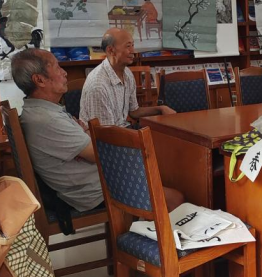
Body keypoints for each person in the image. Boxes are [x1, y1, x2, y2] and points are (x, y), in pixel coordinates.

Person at [11, 49, 184, 213]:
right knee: (175, 197)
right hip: (95, 191)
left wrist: (87, 136)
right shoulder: (47, 119)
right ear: (40, 80)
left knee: (166, 173)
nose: (64, 73)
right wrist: (88, 135)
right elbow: (100, 155)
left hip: (97, 178)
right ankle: (158, 232)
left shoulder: (41, 111)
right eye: (57, 67)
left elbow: (92, 143)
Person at [79, 28, 175, 127]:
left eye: (133, 45)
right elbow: (105, 132)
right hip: (108, 134)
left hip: (122, 129)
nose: (133, 51)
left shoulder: (127, 74)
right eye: (128, 46)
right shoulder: (98, 85)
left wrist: (160, 109)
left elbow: (134, 111)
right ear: (111, 50)